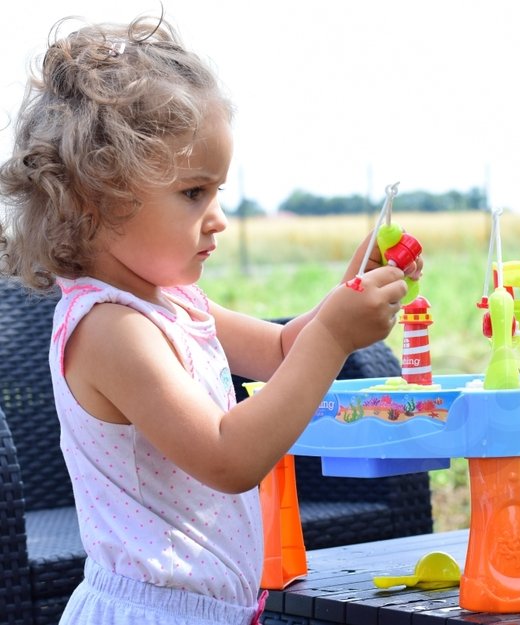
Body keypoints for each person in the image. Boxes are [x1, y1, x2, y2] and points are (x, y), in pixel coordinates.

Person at [0, 14, 422, 625]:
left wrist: (345, 296)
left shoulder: (174, 304)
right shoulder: (111, 330)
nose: (218, 217)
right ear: (97, 200)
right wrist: (334, 335)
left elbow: (280, 350)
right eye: (194, 193)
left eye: (217, 191)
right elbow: (228, 458)